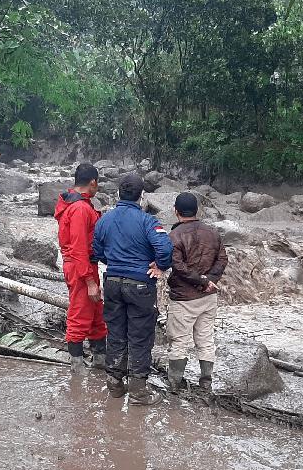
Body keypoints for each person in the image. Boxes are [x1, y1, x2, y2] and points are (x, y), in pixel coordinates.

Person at [91, 173, 173, 405]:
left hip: (113, 282)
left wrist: (116, 263)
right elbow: (164, 249)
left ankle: (115, 385)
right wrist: (160, 266)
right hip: (140, 285)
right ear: (142, 196)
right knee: (140, 336)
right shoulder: (148, 221)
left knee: (116, 333)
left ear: (118, 193)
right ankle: (138, 391)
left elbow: (96, 251)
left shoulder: (104, 220)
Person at [165, 192, 228, 390]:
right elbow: (222, 259)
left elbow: (178, 266)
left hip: (184, 298)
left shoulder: (174, 236)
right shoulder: (213, 232)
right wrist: (210, 281)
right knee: (206, 339)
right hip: (209, 296)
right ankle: (206, 382)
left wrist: (201, 281)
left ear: (176, 211)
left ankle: (174, 383)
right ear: (198, 211)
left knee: (179, 341)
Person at [55, 163, 107, 374]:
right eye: (98, 184)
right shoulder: (80, 209)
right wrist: (90, 280)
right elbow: (78, 247)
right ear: (93, 182)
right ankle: (77, 368)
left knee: (96, 313)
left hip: (83, 265)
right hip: (81, 267)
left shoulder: (76, 204)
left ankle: (100, 361)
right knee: (80, 314)